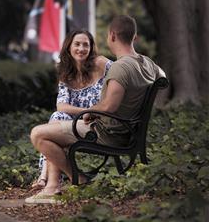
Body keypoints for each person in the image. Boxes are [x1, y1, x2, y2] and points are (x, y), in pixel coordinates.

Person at [25, 15, 166, 203]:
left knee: (38, 134)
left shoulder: (118, 68)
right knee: (56, 121)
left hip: (107, 133)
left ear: (112, 35)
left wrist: (89, 112)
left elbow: (109, 106)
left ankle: (71, 181)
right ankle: (57, 183)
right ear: (134, 37)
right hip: (126, 130)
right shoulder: (147, 63)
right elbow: (163, 79)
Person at [31, 29, 113, 191]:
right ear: (69, 47)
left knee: (54, 124)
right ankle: (65, 178)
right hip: (76, 121)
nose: (81, 49)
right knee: (58, 115)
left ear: (91, 48)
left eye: (85, 45)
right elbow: (61, 106)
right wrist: (86, 110)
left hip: (96, 122)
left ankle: (46, 177)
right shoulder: (65, 72)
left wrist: (95, 110)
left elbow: (122, 74)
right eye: (77, 44)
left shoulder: (101, 64)